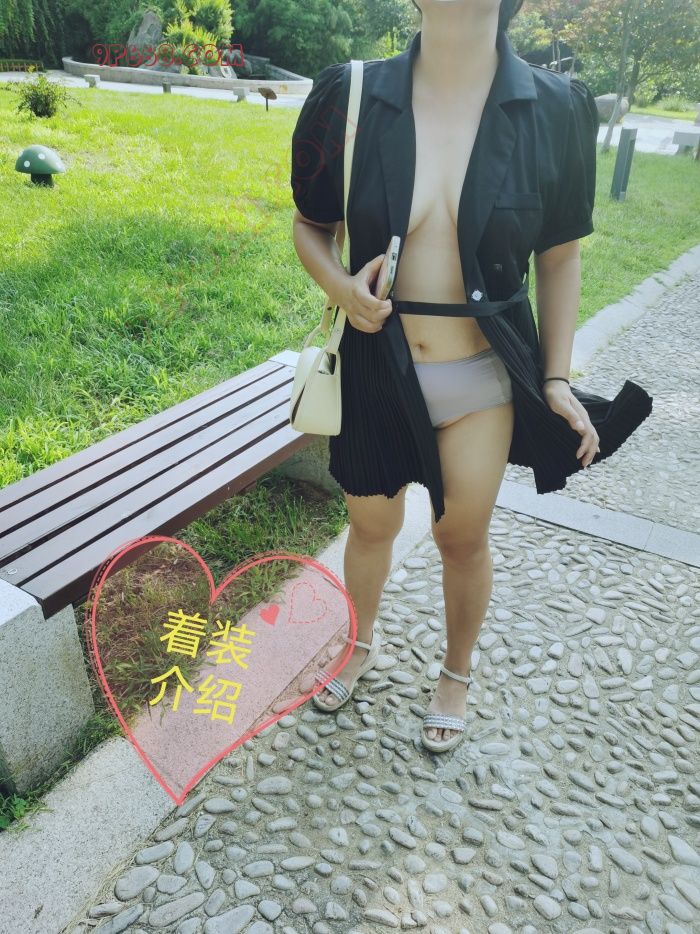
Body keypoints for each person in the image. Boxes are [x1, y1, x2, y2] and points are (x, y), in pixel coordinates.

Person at [289, 0, 652, 752]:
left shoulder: (554, 109)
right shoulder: (351, 94)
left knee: (461, 536)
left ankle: (455, 672)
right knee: (371, 526)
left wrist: (556, 378)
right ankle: (358, 643)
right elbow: (311, 225)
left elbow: (560, 256)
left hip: (483, 374)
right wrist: (341, 288)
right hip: (375, 370)